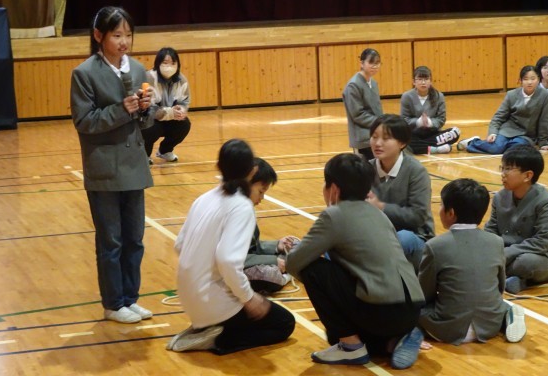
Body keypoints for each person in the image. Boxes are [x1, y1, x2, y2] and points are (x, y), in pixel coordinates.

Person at [285, 153, 425, 369]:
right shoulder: (379, 214)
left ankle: (351, 348)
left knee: (313, 269)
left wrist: (293, 250)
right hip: (411, 310)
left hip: (382, 311)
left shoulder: (334, 215)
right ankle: (392, 342)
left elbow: (294, 264)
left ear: (333, 189)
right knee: (336, 333)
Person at [70, 6, 155, 324]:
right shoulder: (84, 73)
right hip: (104, 169)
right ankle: (113, 303)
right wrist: (122, 109)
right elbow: (85, 121)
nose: (124, 42)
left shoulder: (138, 69)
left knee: (135, 239)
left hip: (134, 166)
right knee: (111, 241)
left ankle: (130, 299)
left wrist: (145, 109)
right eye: (117, 35)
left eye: (128, 35)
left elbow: (145, 123)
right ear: (98, 36)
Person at [169, 139, 295, 354]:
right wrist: (248, 298)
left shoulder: (204, 198)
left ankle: (205, 328)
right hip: (212, 302)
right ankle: (218, 339)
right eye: (262, 191)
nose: (262, 197)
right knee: (284, 323)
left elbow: (180, 245)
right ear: (251, 171)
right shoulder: (241, 206)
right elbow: (227, 260)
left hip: (188, 299)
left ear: (219, 166)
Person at [418, 178, 527, 345]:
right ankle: (507, 313)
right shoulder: (496, 242)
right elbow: (499, 287)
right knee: (492, 300)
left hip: (448, 329)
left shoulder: (435, 246)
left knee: (407, 307)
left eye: (441, 205)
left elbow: (424, 294)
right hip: (489, 326)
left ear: (450, 213)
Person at [484, 145, 548, 294]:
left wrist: (504, 254)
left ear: (527, 176)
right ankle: (511, 277)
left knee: (525, 263)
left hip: (545, 257)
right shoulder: (500, 197)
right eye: (502, 168)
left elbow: (542, 242)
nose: (503, 174)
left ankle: (501, 272)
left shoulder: (546, 202)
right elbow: (491, 229)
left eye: (508, 169)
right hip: (507, 253)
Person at [366, 114, 434, 270]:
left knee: (403, 238)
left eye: (386, 138)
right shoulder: (365, 168)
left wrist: (381, 207)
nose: (377, 143)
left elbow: (418, 216)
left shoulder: (416, 171)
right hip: (377, 236)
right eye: (374, 137)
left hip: (415, 237)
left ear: (402, 143)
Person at [458, 65, 548, 154]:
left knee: (516, 151)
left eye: (533, 79)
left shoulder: (545, 96)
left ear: (538, 80)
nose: (529, 82)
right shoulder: (511, 94)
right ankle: (472, 142)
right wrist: (493, 132)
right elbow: (498, 116)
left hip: (526, 135)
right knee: (496, 148)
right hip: (507, 130)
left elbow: (545, 121)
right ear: (520, 81)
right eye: (526, 79)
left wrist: (543, 143)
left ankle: (500, 146)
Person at [245, 157, 299, 293]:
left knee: (295, 247)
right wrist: (273, 260)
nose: (262, 198)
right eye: (261, 192)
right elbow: (232, 259)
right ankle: (287, 274)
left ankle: (288, 268)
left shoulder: (245, 207)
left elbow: (250, 247)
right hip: (225, 273)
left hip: (241, 262)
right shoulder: (235, 212)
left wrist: (277, 245)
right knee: (269, 274)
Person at [141, 47, 191, 163]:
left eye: (173, 63)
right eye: (165, 63)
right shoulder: (149, 78)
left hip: (170, 118)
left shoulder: (181, 79)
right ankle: (144, 155)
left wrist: (181, 110)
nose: (169, 67)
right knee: (149, 127)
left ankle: (165, 151)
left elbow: (184, 101)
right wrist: (169, 113)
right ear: (158, 63)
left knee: (184, 124)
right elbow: (148, 109)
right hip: (151, 119)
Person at [400, 65, 461, 154]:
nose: (423, 82)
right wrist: (418, 122)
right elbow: (404, 119)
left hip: (433, 133)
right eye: (420, 79)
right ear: (414, 82)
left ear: (431, 81)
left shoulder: (439, 96)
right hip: (414, 134)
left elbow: (441, 119)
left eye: (426, 79)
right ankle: (435, 149)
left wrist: (430, 122)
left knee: (455, 132)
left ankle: (421, 147)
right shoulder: (406, 96)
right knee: (401, 138)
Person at [342, 48, 384, 160]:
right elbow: (358, 115)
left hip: (376, 135)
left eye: (377, 63)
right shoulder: (353, 85)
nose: (374, 66)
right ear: (362, 63)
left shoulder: (373, 83)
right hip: (362, 139)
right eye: (371, 62)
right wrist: (380, 122)